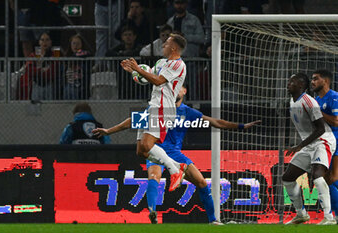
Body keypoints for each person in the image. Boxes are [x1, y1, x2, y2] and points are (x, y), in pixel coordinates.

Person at [92, 85, 261, 224]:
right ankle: (152, 213)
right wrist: (108, 130)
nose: (175, 91)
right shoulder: (159, 108)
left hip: (175, 154)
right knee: (154, 177)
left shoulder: (188, 112)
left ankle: (213, 221)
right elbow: (132, 121)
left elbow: (215, 122)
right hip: (156, 150)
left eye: (178, 88)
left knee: (201, 182)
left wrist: (241, 126)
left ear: (185, 91)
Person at [95, 33, 188, 192]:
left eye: (166, 43)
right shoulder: (161, 63)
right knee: (141, 151)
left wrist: (138, 68)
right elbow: (148, 77)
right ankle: (178, 166)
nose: (163, 45)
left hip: (163, 108)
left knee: (146, 145)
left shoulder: (178, 65)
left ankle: (175, 170)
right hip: (153, 106)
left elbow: (158, 81)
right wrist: (133, 71)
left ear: (173, 48)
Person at [283, 73, 336, 225]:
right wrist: (302, 146)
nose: (288, 83)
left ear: (301, 85)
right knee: (287, 178)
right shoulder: (292, 101)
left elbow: (320, 129)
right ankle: (301, 214)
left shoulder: (308, 102)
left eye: (292, 81)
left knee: (318, 176)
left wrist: (299, 146)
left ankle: (329, 218)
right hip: (309, 145)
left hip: (323, 141)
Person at [311, 69, 338, 222]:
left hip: (336, 139)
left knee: (331, 178)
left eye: (316, 79)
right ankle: (333, 216)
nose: (312, 82)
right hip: (324, 142)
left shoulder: (334, 97)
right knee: (327, 178)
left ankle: (333, 216)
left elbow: (336, 121)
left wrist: (318, 112)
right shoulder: (316, 100)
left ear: (325, 81)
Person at [17, 32, 60, 100]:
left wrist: (38, 71)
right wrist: (42, 70)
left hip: (50, 84)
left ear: (51, 42)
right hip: (36, 84)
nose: (44, 42)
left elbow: (53, 71)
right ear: (39, 42)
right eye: (42, 40)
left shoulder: (55, 52)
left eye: (47, 40)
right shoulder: (35, 54)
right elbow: (29, 70)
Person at [63, 34, 91, 100]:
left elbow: (87, 53)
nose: (76, 46)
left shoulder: (85, 54)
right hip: (68, 86)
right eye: (74, 43)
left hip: (80, 86)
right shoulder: (67, 57)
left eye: (78, 43)